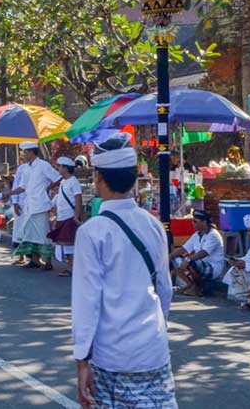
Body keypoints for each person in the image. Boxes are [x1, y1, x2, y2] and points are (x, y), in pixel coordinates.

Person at [72, 136, 176, 409]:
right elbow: (164, 288)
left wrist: (82, 359)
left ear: (99, 178)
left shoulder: (92, 232)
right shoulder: (153, 225)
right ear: (133, 179)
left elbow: (87, 302)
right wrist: (156, 331)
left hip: (113, 355)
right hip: (153, 349)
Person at [10, 142, 62, 271]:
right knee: (29, 233)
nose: (24, 154)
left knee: (42, 233)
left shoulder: (43, 166)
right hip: (28, 205)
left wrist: (46, 188)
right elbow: (22, 187)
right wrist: (9, 193)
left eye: (25, 152)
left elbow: (57, 177)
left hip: (40, 205)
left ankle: (48, 261)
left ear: (32, 152)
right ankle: (34, 260)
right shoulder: (26, 168)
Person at [169, 210, 225, 297]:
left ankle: (199, 288)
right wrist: (169, 256)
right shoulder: (196, 235)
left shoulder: (213, 235)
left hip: (213, 267)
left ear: (204, 222)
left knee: (192, 262)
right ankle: (189, 284)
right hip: (200, 264)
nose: (193, 223)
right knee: (175, 259)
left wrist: (188, 259)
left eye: (195, 222)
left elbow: (204, 253)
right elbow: (184, 249)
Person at [49, 156, 84, 277]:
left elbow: (78, 199)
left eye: (59, 166)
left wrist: (76, 216)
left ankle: (71, 267)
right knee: (65, 243)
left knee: (70, 244)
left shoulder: (74, 182)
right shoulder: (64, 182)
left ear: (65, 168)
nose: (58, 168)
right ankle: (70, 266)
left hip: (70, 217)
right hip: (62, 217)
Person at [9, 155, 30, 265]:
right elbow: (16, 185)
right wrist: (15, 203)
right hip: (21, 203)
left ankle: (34, 258)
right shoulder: (21, 169)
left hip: (34, 204)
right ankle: (22, 256)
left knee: (32, 231)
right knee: (20, 230)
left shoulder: (41, 167)